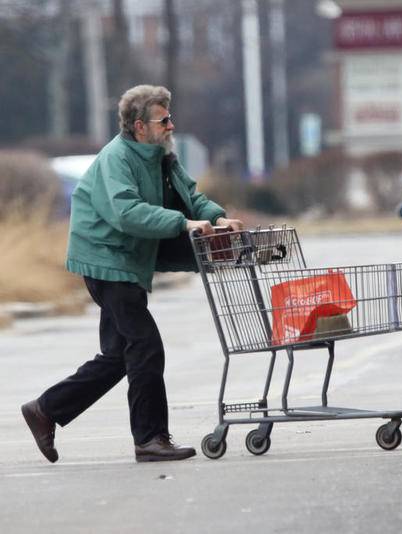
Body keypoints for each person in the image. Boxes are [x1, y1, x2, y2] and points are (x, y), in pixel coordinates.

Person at [21, 85, 243, 463]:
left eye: (170, 117)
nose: (171, 125)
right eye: (164, 120)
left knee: (118, 355)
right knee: (144, 347)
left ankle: (45, 410)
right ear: (140, 126)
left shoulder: (162, 157)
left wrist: (217, 217)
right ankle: (150, 439)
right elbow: (127, 213)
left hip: (127, 261)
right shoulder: (117, 159)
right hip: (106, 261)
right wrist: (183, 223)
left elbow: (192, 198)